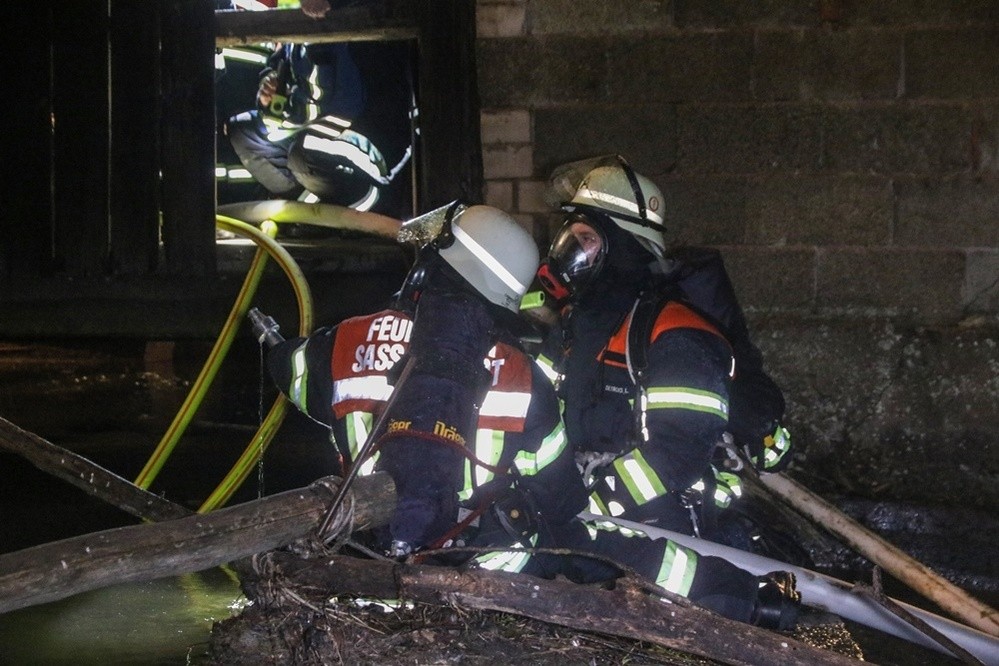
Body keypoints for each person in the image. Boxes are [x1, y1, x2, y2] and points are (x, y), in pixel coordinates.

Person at [257, 202, 801, 629]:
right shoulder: (521, 374)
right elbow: (560, 498)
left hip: (363, 561)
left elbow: (293, 374)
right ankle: (750, 601)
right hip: (485, 569)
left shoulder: (345, 342)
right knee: (598, 551)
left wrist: (280, 348)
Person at [535, 155, 793, 550]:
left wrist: (586, 507)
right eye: (572, 237)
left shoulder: (675, 336)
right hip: (590, 510)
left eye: (588, 239)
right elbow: (538, 407)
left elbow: (676, 453)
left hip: (666, 520)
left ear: (621, 247)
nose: (573, 251)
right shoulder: (577, 324)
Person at [225, 30, 414, 219]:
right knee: (243, 130)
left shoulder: (340, 31)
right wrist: (269, 89)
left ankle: (367, 211)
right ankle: (307, 214)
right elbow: (278, 63)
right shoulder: (295, 27)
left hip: (370, 138)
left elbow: (342, 105)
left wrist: (287, 109)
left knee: (303, 153)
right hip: (312, 127)